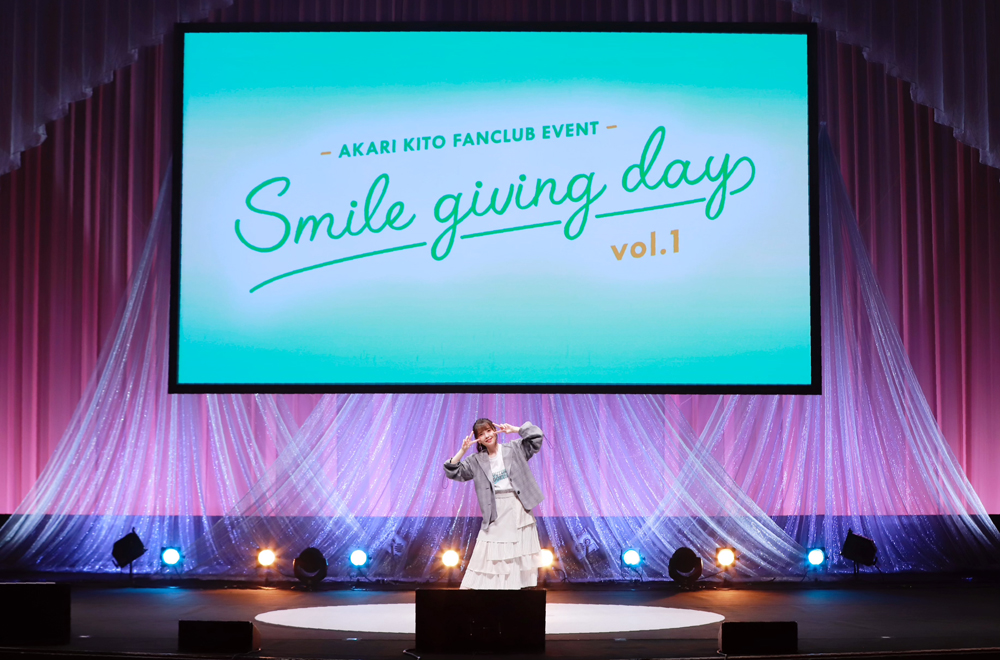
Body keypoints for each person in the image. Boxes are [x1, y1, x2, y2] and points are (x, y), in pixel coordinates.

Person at [444, 418, 545, 589]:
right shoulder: (476, 460)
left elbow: (537, 436)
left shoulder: (514, 448)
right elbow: (452, 471)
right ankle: (485, 593)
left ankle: (515, 591)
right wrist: (463, 450)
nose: (487, 435)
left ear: (495, 431)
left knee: (516, 552)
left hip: (519, 506)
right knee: (488, 550)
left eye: (489, 430)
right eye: (482, 434)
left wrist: (515, 429)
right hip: (495, 509)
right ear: (478, 439)